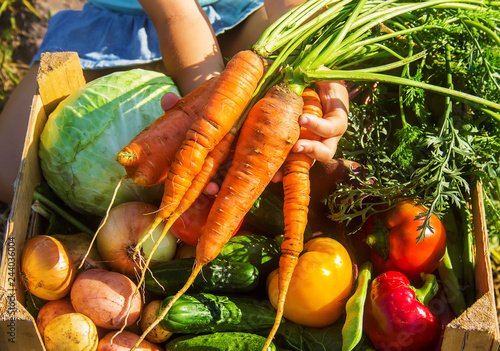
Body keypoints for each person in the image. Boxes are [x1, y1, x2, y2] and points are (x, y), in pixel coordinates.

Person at [0, 0, 348, 204]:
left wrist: (328, 79)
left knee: (302, 90)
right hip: (126, 27)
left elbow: (293, 5)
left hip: (233, 14)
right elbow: (177, 16)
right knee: (7, 173)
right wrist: (214, 111)